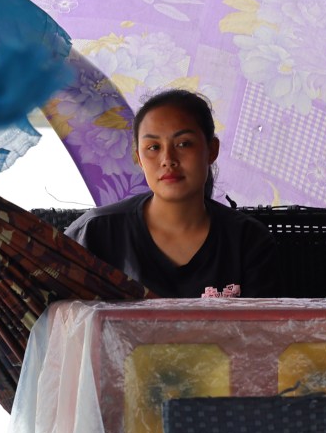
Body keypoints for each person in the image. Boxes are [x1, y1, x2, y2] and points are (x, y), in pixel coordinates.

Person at [65, 89, 279, 298]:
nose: (168, 159)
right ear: (139, 158)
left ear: (212, 150)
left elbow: (266, 331)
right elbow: (59, 323)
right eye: (153, 147)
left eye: (183, 144)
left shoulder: (248, 241)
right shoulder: (95, 233)